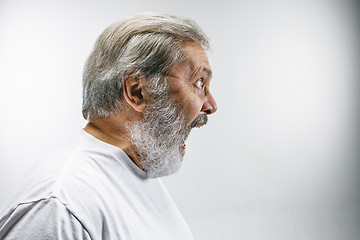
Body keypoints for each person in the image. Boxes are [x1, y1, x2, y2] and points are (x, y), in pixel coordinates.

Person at [0, 12, 217, 239]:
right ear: (137, 91)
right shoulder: (60, 205)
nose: (211, 105)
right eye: (199, 83)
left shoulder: (136, 171)